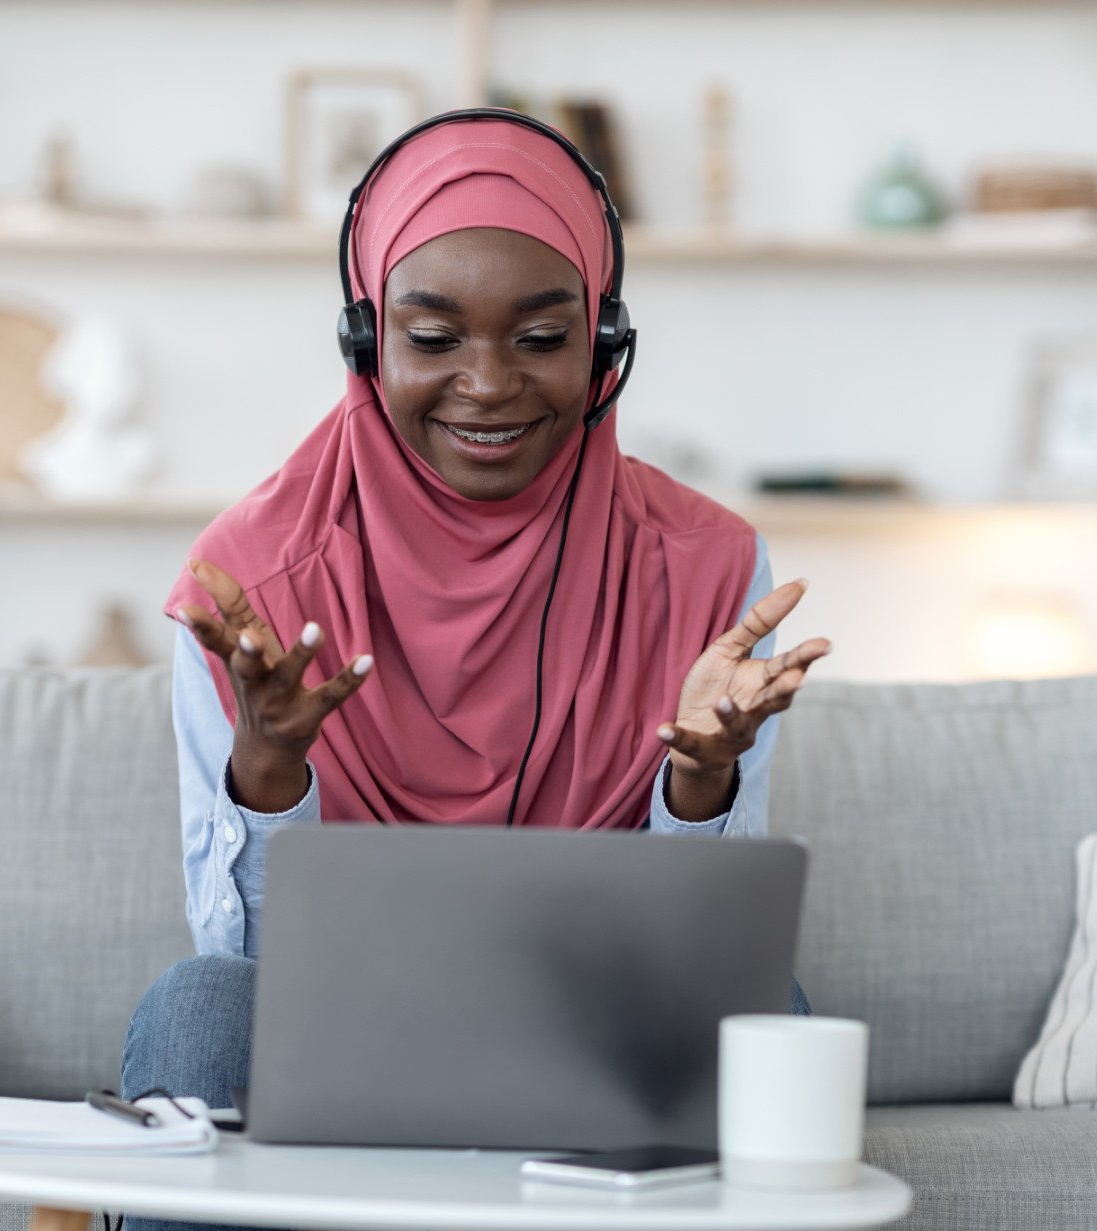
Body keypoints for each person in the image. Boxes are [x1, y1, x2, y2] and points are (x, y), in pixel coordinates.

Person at [121, 111, 829, 1231]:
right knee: (201, 1002)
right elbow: (246, 956)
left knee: (768, 1014)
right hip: (341, 1032)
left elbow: (708, 963)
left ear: (603, 345)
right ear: (367, 344)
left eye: (541, 339)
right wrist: (268, 764)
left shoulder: (709, 565)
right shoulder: (254, 576)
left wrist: (703, 780)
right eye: (435, 338)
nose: (488, 384)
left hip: (604, 1045)